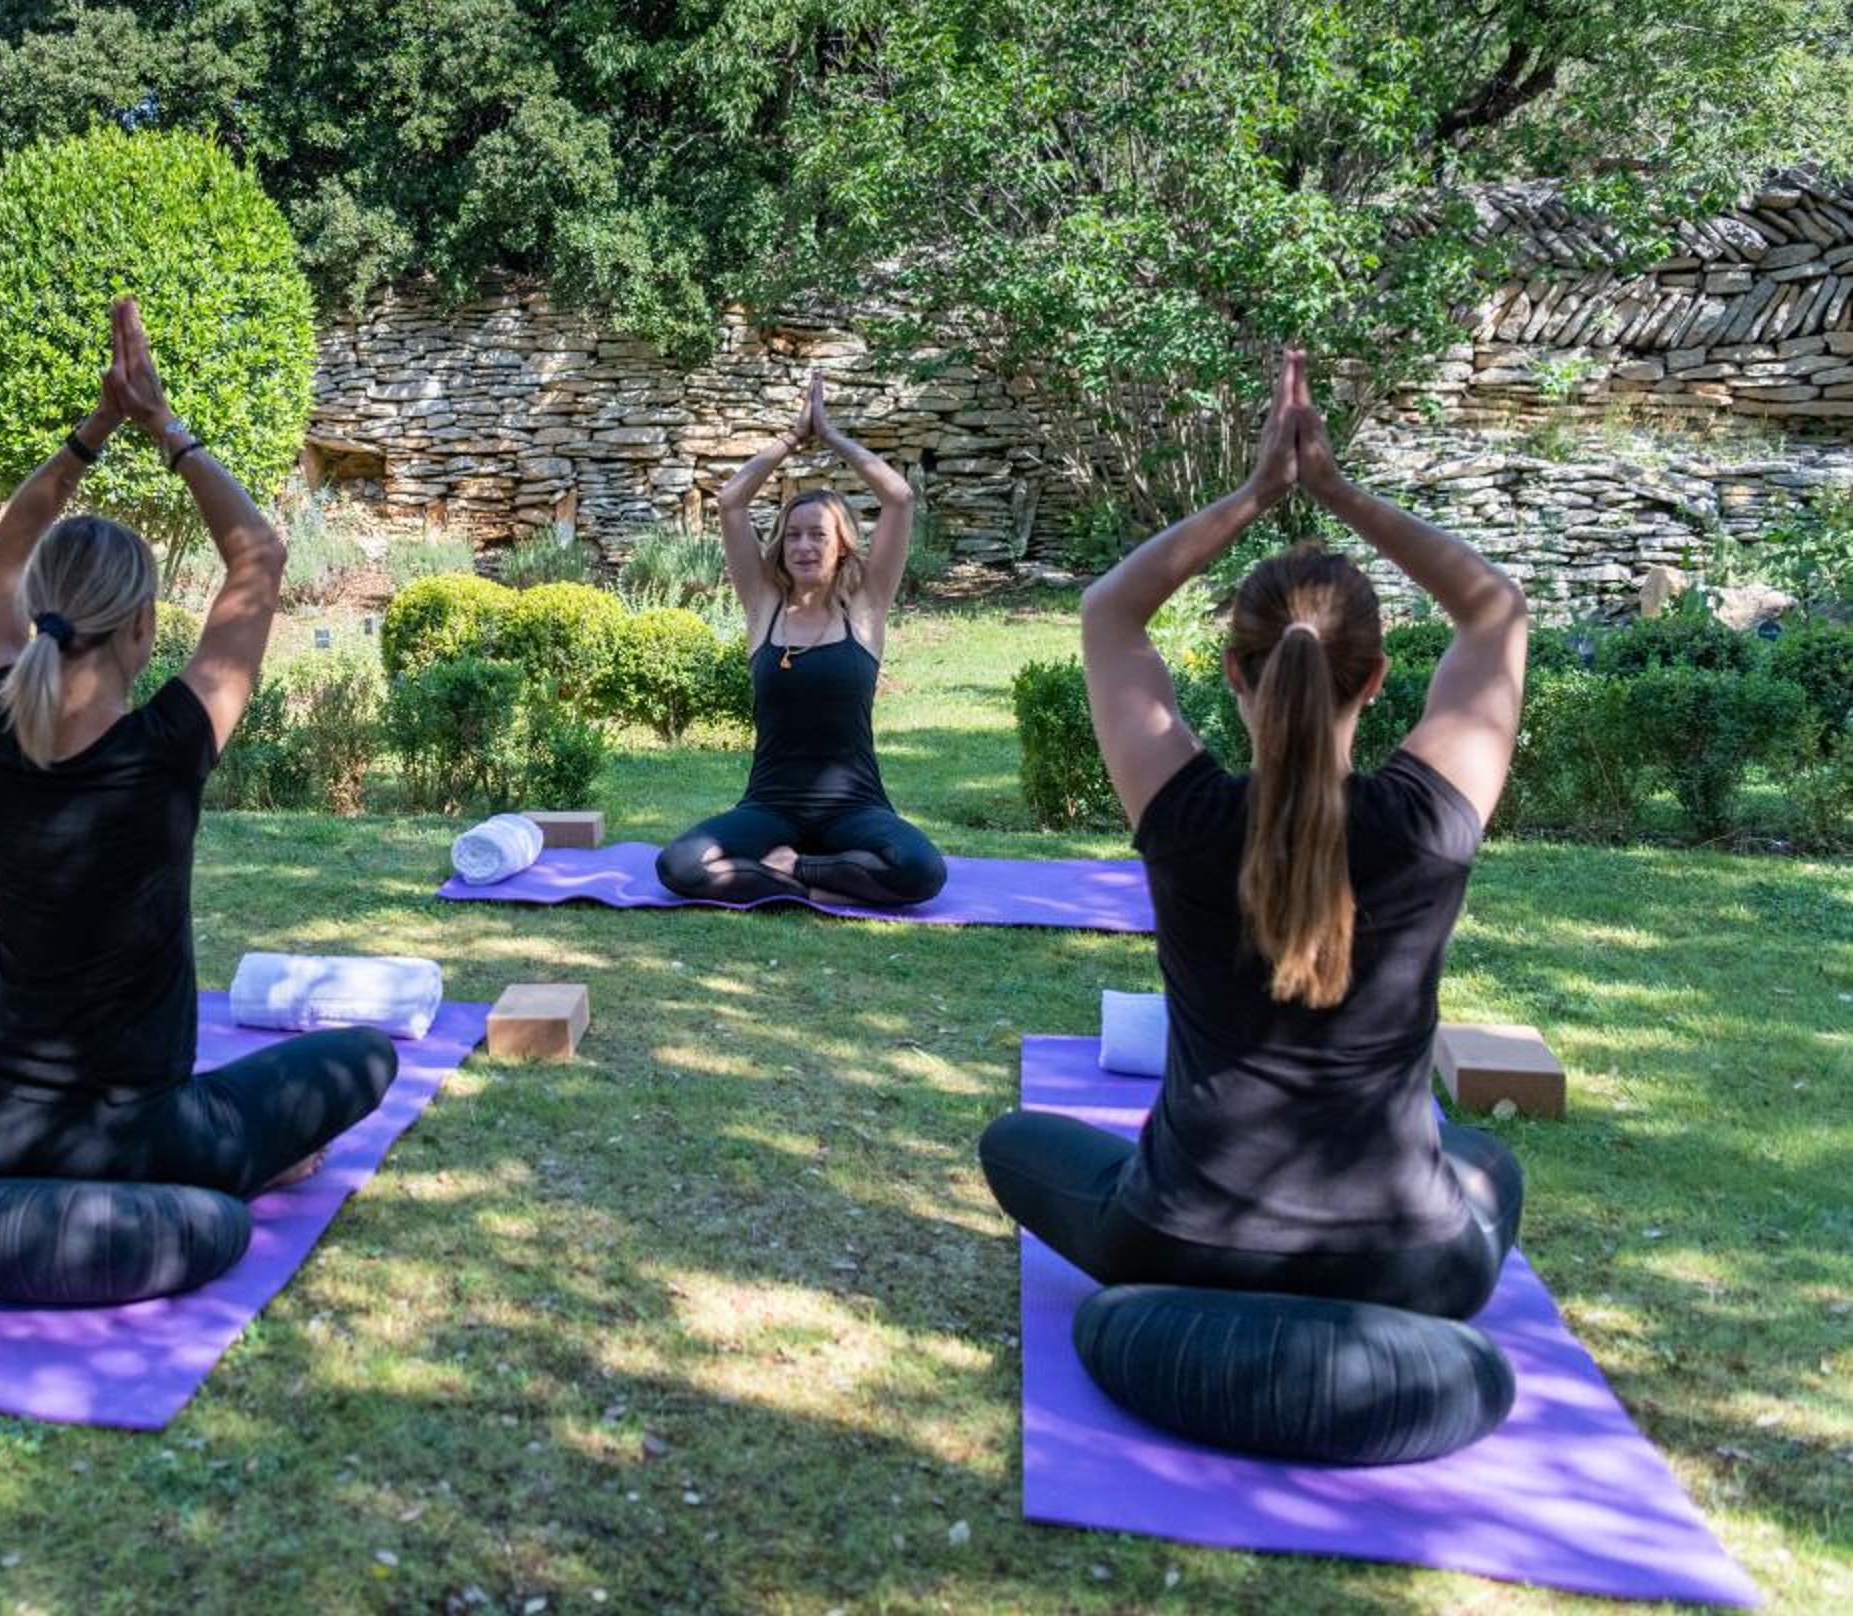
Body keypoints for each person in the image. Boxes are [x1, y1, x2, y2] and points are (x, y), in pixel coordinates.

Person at [978, 351, 1529, 1320]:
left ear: (1234, 671)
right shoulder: (1427, 825)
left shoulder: (1186, 816)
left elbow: (1109, 613)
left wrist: (1256, 492)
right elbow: (1496, 613)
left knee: (1013, 1142)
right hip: (1410, 1262)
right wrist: (1338, 492)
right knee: (1487, 1160)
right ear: (1376, 679)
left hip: (1181, 1237)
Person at [0, 299, 396, 1195]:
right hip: (144, 1136)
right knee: (364, 1057)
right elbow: (258, 556)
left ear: (40, 613)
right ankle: (254, 1160)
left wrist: (94, 431)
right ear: (143, 627)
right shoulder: (168, 749)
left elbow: (2, 554)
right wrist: (162, 424)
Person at [654, 370, 948, 909]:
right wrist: (792, 438)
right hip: (770, 808)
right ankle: (823, 882)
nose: (804, 546)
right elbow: (731, 502)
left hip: (854, 808)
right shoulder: (764, 606)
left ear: (842, 547)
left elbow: (900, 498)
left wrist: (831, 437)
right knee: (678, 865)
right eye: (793, 535)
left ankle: (796, 872)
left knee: (921, 871)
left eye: (818, 535)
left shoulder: (865, 607)